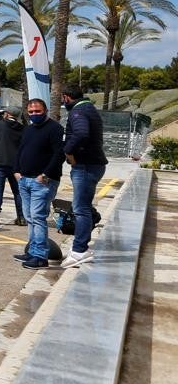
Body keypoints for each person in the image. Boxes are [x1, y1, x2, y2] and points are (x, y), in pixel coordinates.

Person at [14, 98, 65, 269]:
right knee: (29, 217)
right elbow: (20, 150)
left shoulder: (55, 129)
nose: (34, 114)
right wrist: (16, 171)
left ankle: (40, 256)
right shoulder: (28, 129)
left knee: (37, 217)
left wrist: (45, 174)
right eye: (31, 112)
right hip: (24, 179)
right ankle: (31, 251)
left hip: (43, 181)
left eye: (38, 111)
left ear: (46, 110)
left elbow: (59, 154)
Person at [60, 85, 106, 269]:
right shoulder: (89, 108)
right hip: (92, 165)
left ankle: (80, 251)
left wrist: (68, 151)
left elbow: (81, 133)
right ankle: (81, 243)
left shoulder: (78, 111)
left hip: (85, 166)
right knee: (84, 207)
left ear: (66, 97)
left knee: (81, 209)